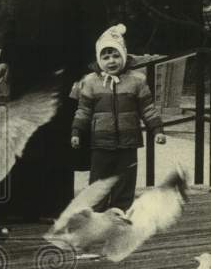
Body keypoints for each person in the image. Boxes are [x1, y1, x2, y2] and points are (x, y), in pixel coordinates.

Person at [0, 0, 108, 222]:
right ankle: (24, 205)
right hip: (28, 77)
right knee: (27, 138)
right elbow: (15, 26)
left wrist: (88, 72)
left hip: (63, 78)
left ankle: (54, 207)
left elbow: (95, 32)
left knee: (57, 141)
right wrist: (6, 59)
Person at [70, 24, 166, 211]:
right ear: (99, 60)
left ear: (123, 55)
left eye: (115, 55)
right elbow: (83, 110)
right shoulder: (90, 82)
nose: (111, 61)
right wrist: (76, 130)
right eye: (106, 57)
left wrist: (157, 130)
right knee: (99, 180)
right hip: (101, 142)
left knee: (125, 179)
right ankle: (96, 213)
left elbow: (148, 109)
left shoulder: (137, 80)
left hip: (128, 141)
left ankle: (120, 211)